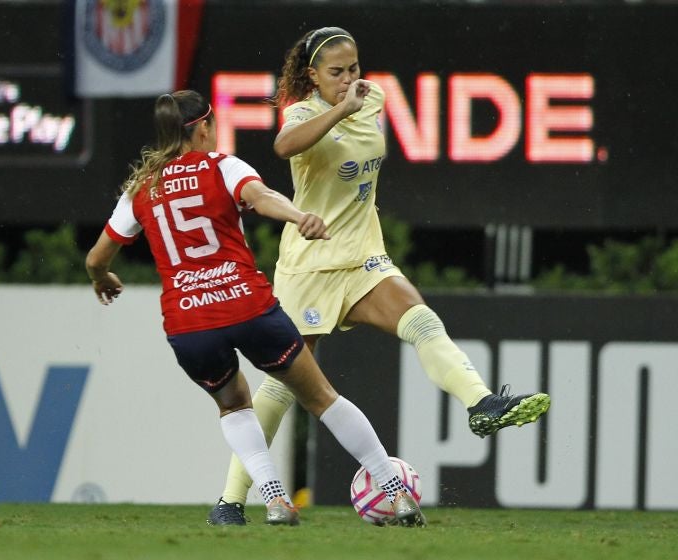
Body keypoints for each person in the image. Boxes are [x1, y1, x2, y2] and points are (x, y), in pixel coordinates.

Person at [208, 26, 551, 525]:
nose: (349, 79)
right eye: (336, 72)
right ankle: (231, 500)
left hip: (364, 256)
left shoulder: (374, 99)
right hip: (310, 265)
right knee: (283, 385)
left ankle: (481, 404)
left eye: (354, 69)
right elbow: (284, 147)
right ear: (313, 76)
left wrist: (352, 105)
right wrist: (339, 112)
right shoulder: (304, 114)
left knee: (422, 321)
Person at [86, 89, 426, 527]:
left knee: (233, 406)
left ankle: (275, 501)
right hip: (247, 306)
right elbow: (262, 197)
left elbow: (97, 257)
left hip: (189, 322)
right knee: (321, 397)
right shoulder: (222, 166)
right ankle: (396, 493)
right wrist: (297, 215)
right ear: (203, 126)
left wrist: (102, 279)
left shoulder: (141, 188)